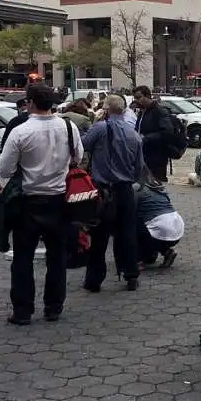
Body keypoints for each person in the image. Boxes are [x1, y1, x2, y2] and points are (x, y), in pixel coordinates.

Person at [0, 84, 83, 323]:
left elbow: (4, 168)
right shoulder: (68, 127)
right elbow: (78, 157)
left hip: (29, 201)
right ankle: (54, 307)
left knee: (23, 258)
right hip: (59, 200)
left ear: (30, 102)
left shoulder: (21, 132)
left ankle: (23, 311)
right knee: (57, 256)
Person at [82, 95, 143, 292]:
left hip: (103, 189)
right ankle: (131, 274)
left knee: (99, 235)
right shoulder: (134, 134)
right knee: (127, 233)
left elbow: (84, 145)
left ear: (106, 109)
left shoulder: (101, 128)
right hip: (125, 189)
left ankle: (94, 280)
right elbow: (138, 167)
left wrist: (95, 120)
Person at [135, 180, 183, 268]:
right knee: (154, 229)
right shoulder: (155, 185)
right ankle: (166, 252)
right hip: (177, 226)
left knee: (132, 224)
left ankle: (139, 259)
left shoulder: (135, 187)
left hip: (158, 227)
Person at [133, 86, 173, 182]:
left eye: (139, 97)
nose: (136, 101)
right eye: (135, 98)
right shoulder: (142, 112)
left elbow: (167, 132)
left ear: (147, 96)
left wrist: (146, 138)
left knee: (156, 186)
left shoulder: (159, 111)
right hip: (144, 155)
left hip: (157, 157)